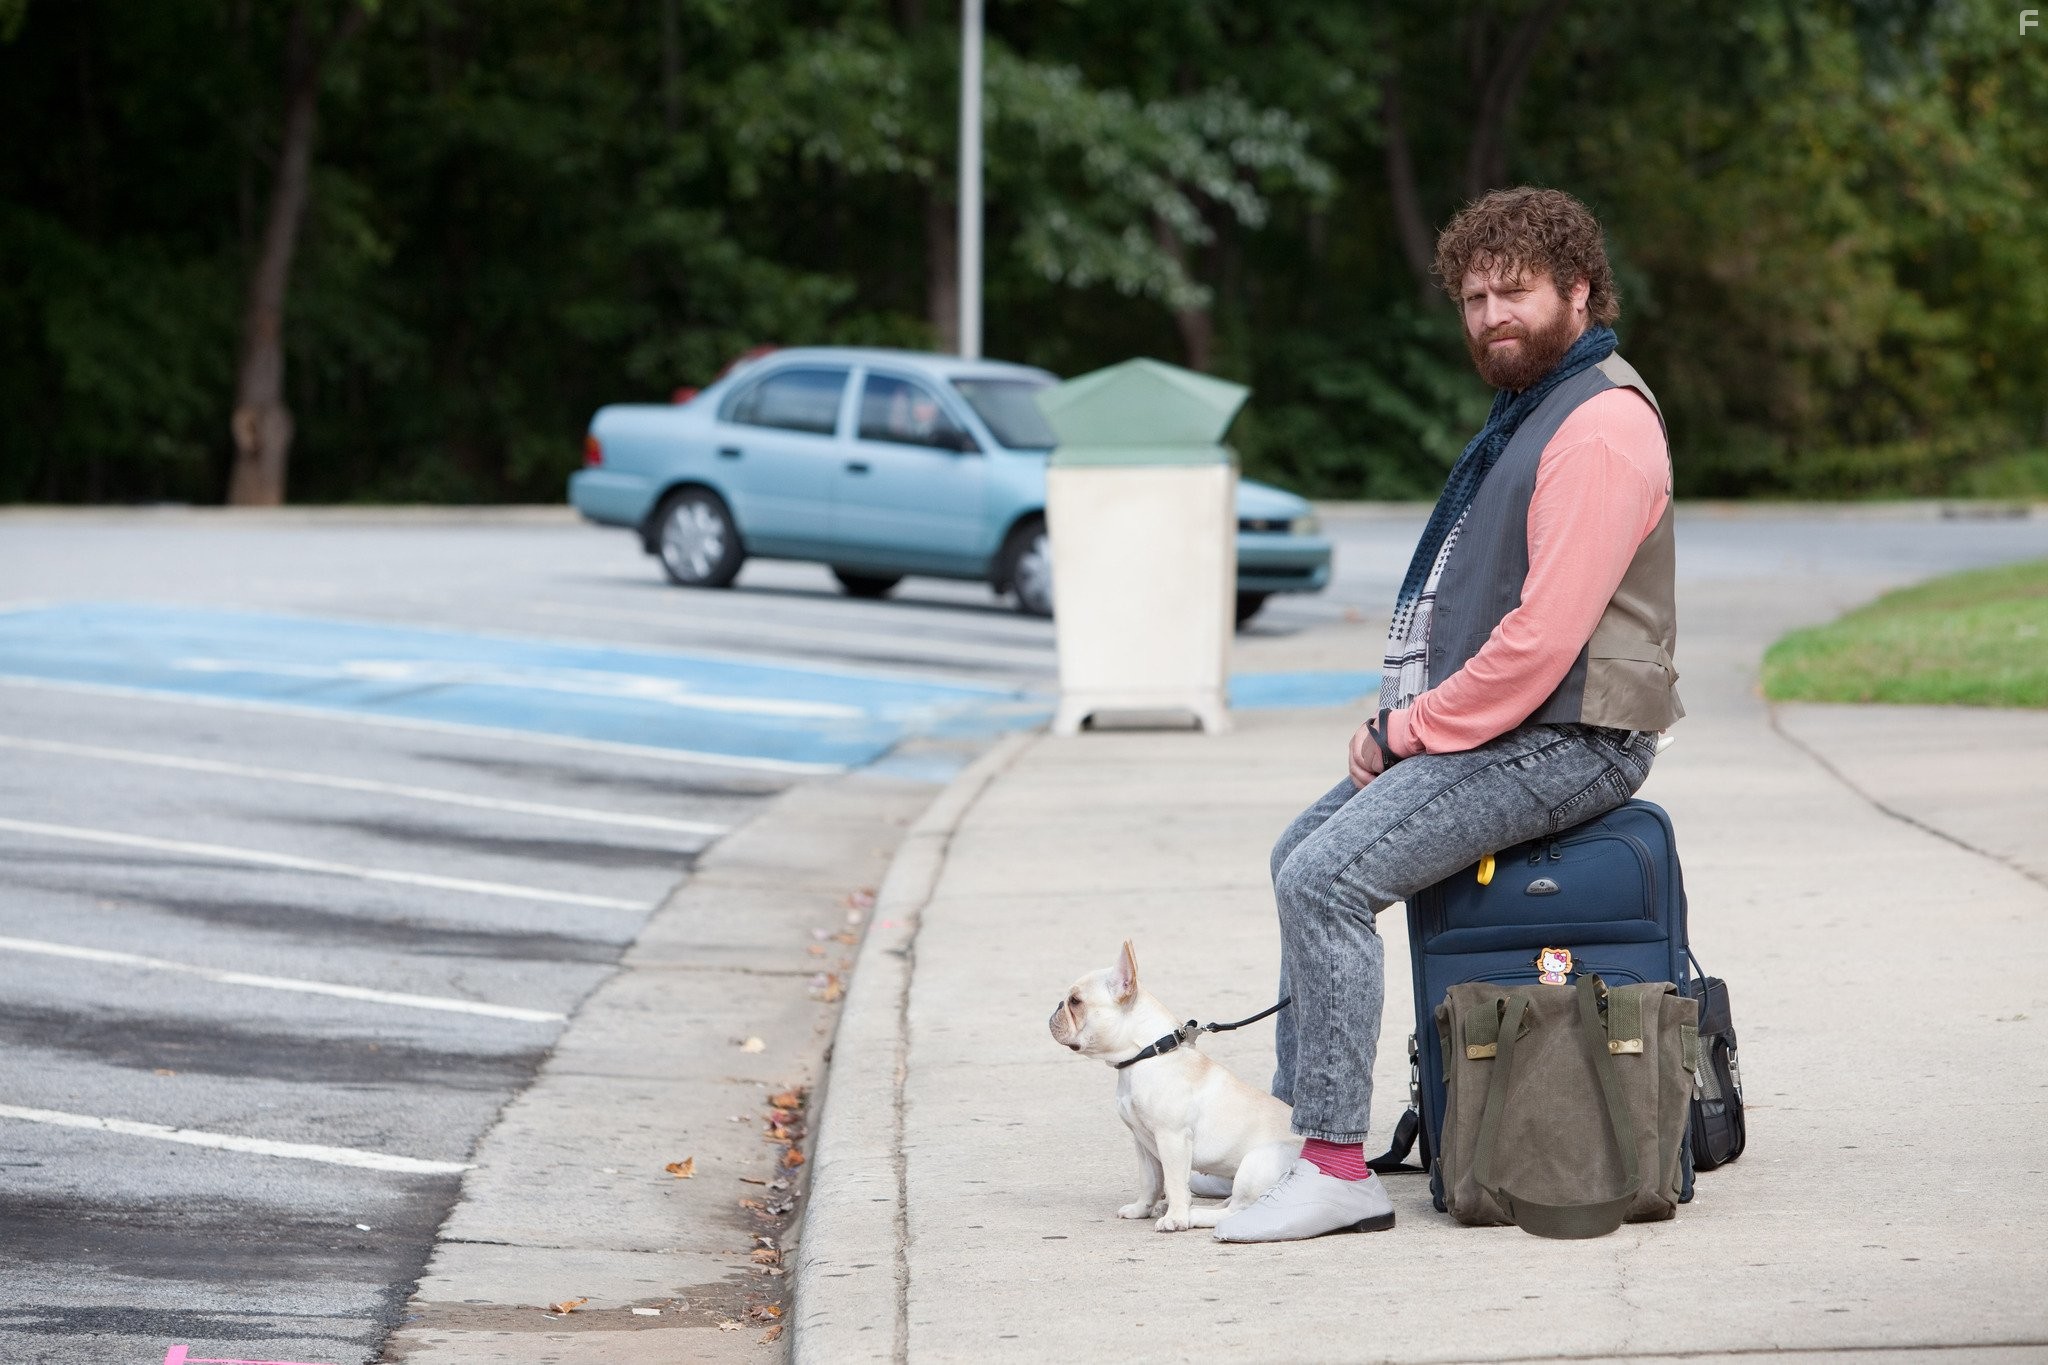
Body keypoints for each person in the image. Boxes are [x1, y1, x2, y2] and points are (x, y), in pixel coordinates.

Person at [1214, 186, 1683, 1243]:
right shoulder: (1531, 410)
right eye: (1470, 297)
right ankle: (1296, 1142)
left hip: (1575, 738)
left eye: (1510, 291)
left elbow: (1540, 642)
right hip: (1522, 724)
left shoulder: (1600, 423)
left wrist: (1405, 729)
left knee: (1326, 881)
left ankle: (1336, 1168)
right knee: (1301, 850)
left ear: (1576, 290)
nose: (1487, 316)